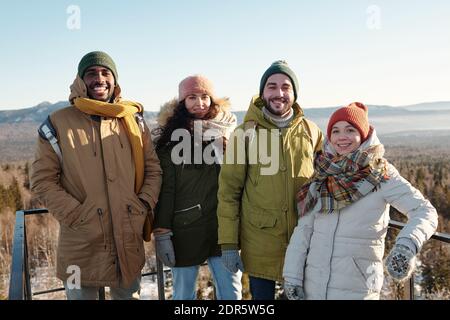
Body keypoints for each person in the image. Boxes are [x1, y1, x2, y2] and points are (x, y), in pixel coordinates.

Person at [30, 51, 162, 300]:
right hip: (81, 241)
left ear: (115, 80)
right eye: (91, 73)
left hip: (128, 237)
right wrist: (77, 215)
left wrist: (143, 204)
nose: (99, 79)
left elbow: (153, 168)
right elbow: (43, 180)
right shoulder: (57, 123)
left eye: (105, 73)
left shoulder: (133, 119)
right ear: (80, 80)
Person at [283, 102, 439, 300]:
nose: (342, 137)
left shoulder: (380, 174)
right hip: (313, 288)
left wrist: (406, 245)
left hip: (357, 290)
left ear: (363, 135)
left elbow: (424, 210)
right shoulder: (323, 175)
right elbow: (304, 231)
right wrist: (292, 277)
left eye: (350, 130)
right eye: (336, 131)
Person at [217, 61, 323, 300]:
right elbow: (228, 192)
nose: (279, 93)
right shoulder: (244, 134)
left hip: (304, 242)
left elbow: (327, 176)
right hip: (259, 244)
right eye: (272, 86)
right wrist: (228, 243)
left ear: (294, 94)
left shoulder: (311, 130)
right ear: (262, 92)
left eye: (286, 87)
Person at [152, 75, 242, 300]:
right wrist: (162, 232)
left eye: (205, 97)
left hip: (223, 229)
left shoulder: (227, 133)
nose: (199, 103)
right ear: (182, 101)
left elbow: (240, 182)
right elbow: (167, 190)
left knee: (231, 294)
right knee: (183, 296)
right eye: (192, 97)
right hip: (185, 230)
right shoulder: (170, 139)